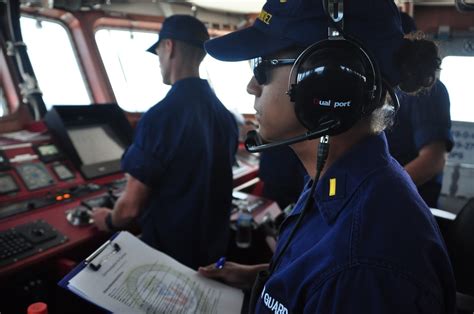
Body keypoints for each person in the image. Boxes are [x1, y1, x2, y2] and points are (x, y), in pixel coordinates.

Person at [198, 0, 456, 313]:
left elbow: (344, 276)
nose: (252, 85)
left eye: (262, 66)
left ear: (326, 81)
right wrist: (260, 279)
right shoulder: (334, 181)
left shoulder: (365, 266)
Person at [92, 15, 239, 270]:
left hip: (168, 259)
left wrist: (108, 221)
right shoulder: (224, 115)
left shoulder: (159, 117)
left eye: (158, 51)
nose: (158, 60)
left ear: (168, 47)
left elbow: (129, 210)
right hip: (213, 255)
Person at [386, 12, 454, 208]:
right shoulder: (381, 89)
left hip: (406, 205)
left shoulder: (427, 93)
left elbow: (433, 159)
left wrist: (382, 192)